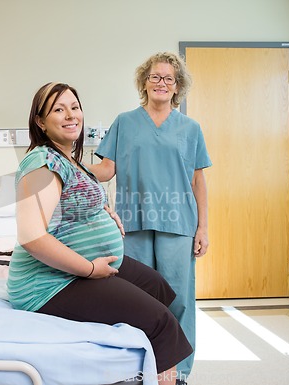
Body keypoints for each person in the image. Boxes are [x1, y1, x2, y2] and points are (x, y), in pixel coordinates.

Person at [7, 81, 193, 385]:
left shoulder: (68, 159)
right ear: (41, 122)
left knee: (159, 288)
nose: (70, 115)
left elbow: (75, 200)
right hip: (48, 282)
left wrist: (103, 212)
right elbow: (31, 236)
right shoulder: (43, 162)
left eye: (75, 107)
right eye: (58, 109)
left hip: (77, 266)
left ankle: (135, 373)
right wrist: (90, 269)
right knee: (162, 323)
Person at [88, 52, 212, 385]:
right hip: (133, 221)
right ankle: (136, 367)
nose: (161, 83)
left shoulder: (190, 128)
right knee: (135, 299)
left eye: (168, 78)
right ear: (145, 82)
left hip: (178, 222)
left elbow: (198, 181)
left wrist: (203, 227)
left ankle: (179, 371)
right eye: (155, 77)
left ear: (177, 86)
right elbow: (107, 169)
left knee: (178, 299)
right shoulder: (125, 122)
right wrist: (72, 166)